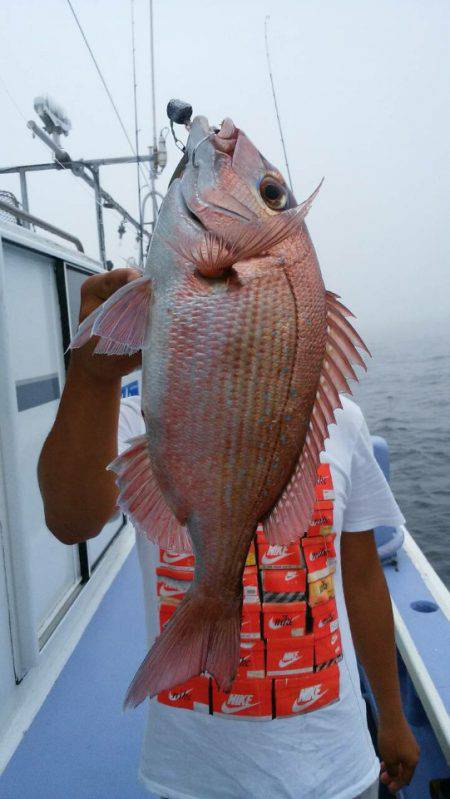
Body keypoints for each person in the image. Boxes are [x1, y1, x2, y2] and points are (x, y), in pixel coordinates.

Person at [38, 267, 419, 799]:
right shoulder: (140, 418)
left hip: (336, 765)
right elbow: (70, 520)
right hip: (196, 778)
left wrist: (393, 717)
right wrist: (91, 377)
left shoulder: (342, 420)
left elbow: (360, 575)